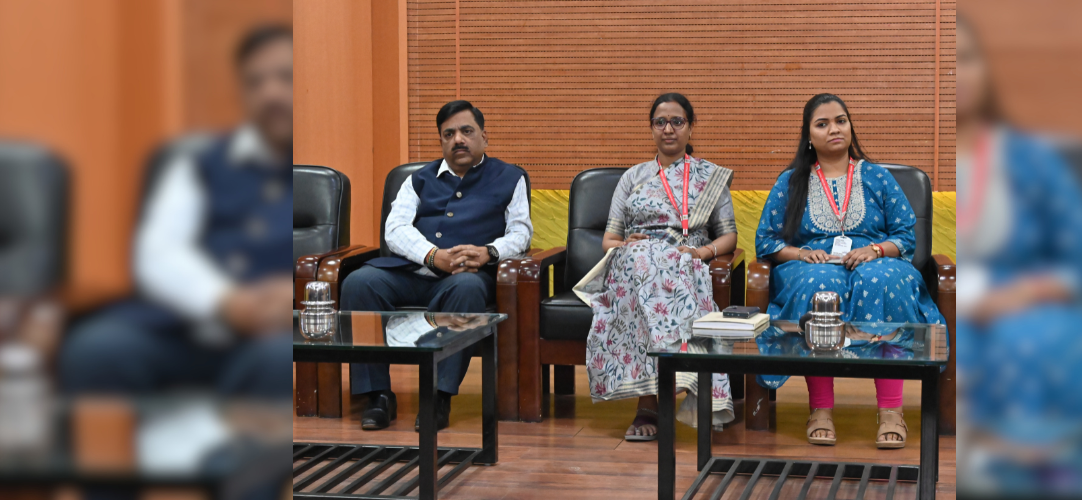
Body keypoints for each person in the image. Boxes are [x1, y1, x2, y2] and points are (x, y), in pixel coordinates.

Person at [953, 15, 1082, 494]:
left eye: (965, 59)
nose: (956, 75)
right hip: (949, 311)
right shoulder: (907, 171)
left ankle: (1048, 469)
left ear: (985, 70)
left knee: (1033, 341)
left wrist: (1022, 295)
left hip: (1030, 305)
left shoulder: (1031, 160)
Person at [59, 25, 294, 400]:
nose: (270, 93)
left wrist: (293, 295)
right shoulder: (201, 162)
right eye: (255, 82)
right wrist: (226, 302)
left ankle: (247, 442)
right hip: (180, 327)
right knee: (95, 349)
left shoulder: (317, 171)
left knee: (282, 360)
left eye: (285, 77)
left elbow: (332, 264)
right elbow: (157, 253)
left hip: (269, 337)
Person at [755, 93, 945, 447]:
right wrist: (801, 253)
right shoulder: (791, 181)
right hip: (812, 264)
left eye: (840, 120)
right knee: (820, 285)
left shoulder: (877, 177)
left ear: (850, 126)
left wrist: (875, 250)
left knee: (883, 280)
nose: (834, 129)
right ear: (808, 136)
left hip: (875, 259)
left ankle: (891, 410)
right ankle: (821, 408)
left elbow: (906, 235)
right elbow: (766, 241)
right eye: (822, 124)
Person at [340, 100, 531, 432]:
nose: (458, 139)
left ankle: (438, 397)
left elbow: (521, 233)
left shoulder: (510, 177)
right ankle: (378, 395)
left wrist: (489, 252)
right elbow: (395, 229)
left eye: (466, 131)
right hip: (412, 273)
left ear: (484, 137)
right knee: (359, 283)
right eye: (449, 134)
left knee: (467, 288)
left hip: (465, 276)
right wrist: (432, 255)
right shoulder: (417, 179)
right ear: (441, 140)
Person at [576, 93, 738, 441]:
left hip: (686, 260)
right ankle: (654, 397)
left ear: (690, 127)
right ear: (651, 128)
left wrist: (701, 252)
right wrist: (625, 245)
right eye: (660, 122)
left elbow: (729, 236)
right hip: (635, 262)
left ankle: (652, 402)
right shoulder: (633, 177)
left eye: (677, 121)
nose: (668, 129)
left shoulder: (709, 177)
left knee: (661, 265)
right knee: (643, 261)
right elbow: (609, 240)